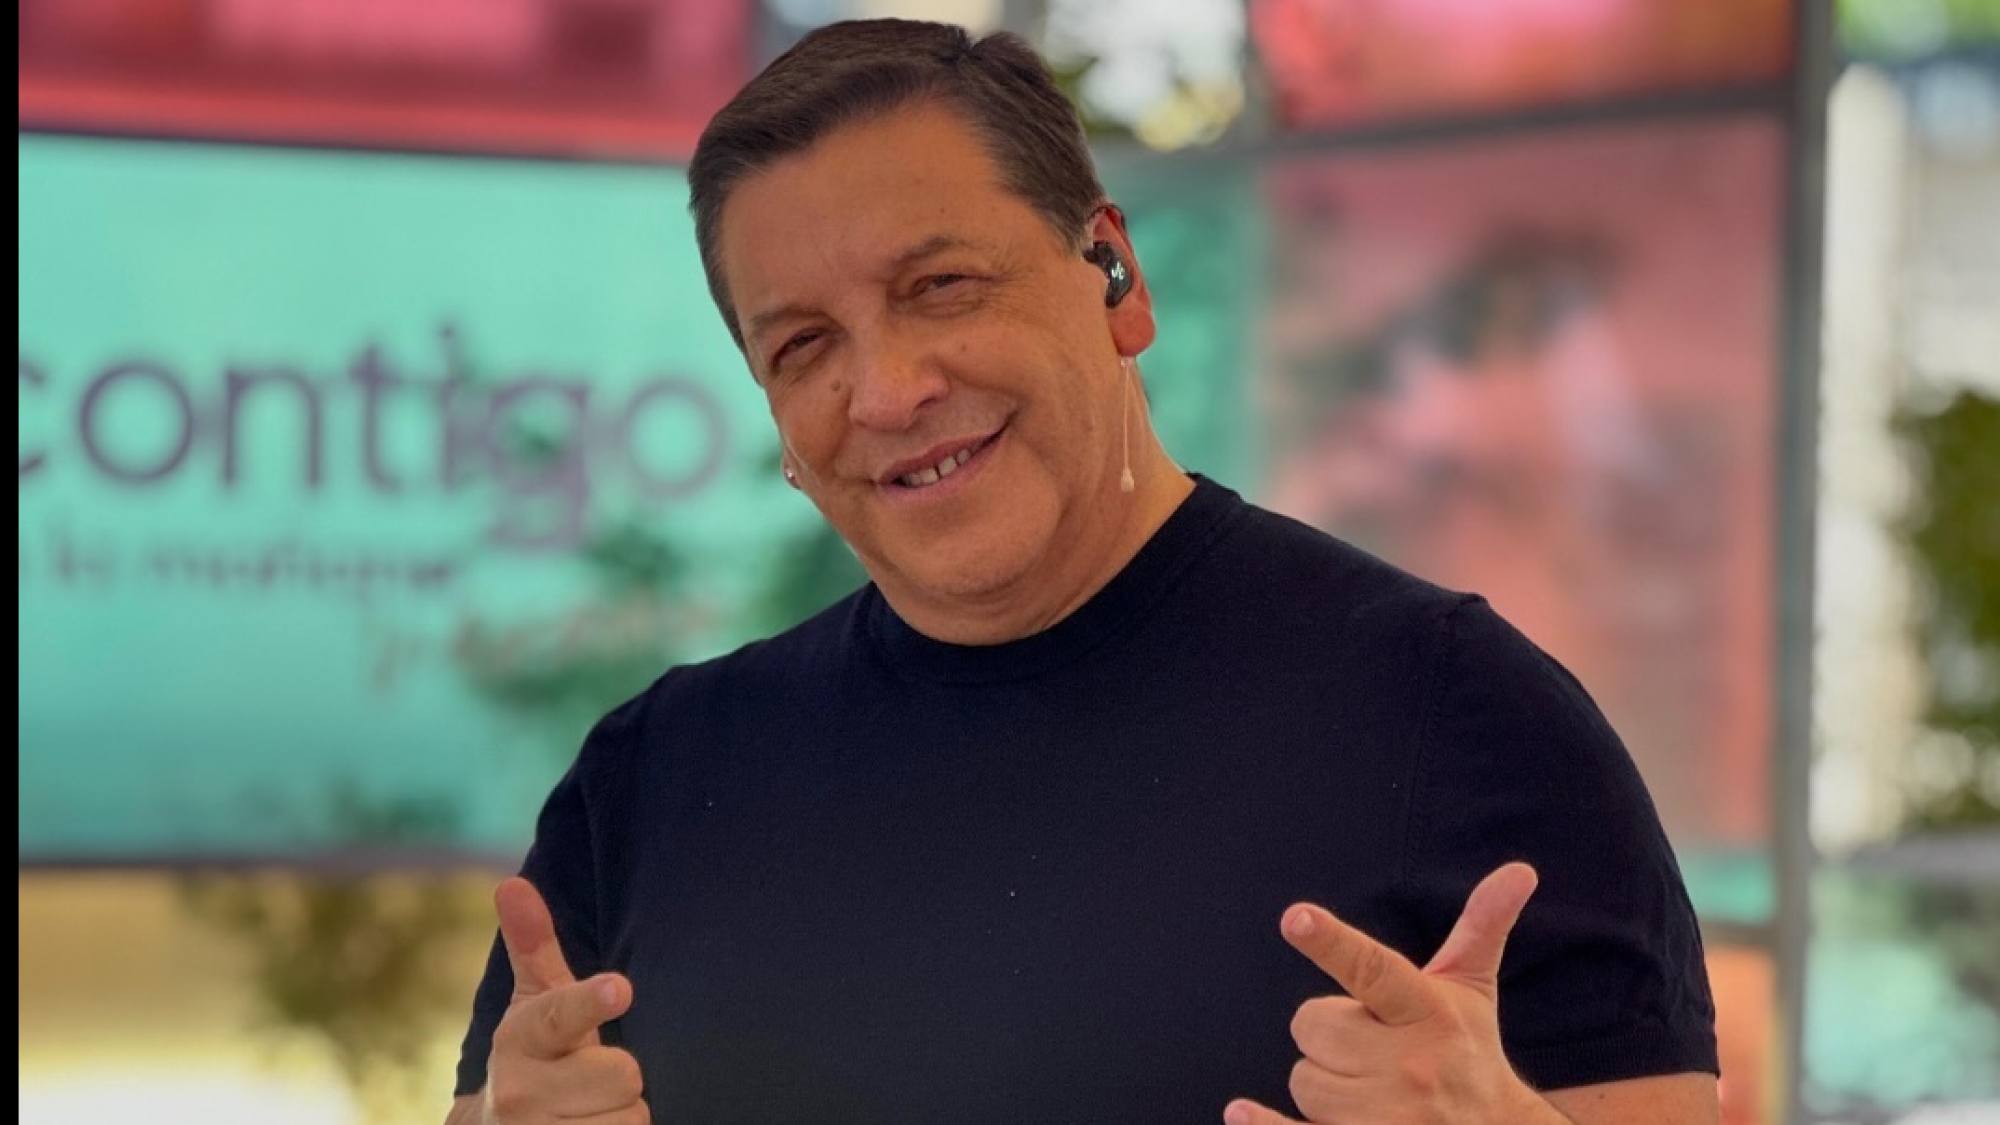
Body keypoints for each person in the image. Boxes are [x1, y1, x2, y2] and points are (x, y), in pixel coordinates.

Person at [445, 19, 1719, 1125]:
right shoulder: (653, 781)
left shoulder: (1462, 718)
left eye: (939, 286)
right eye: (803, 346)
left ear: (1115, 278)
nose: (885, 391)